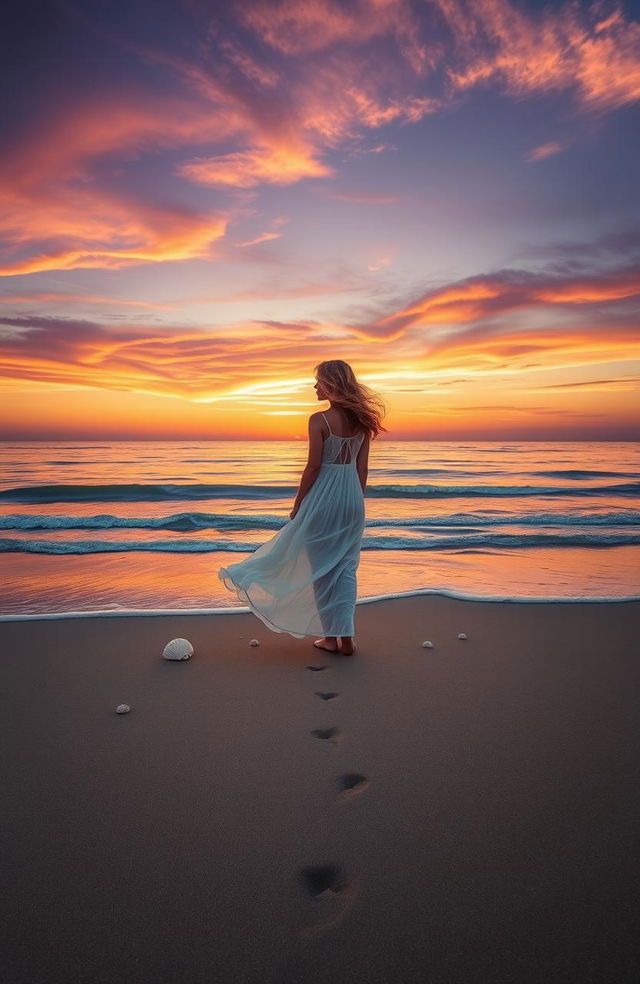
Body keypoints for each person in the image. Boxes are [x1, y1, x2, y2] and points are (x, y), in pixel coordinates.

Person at [219, 360, 386, 655]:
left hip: (323, 499)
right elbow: (363, 469)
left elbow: (312, 468)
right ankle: (345, 639)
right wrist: (355, 504)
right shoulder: (362, 422)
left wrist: (299, 505)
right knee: (346, 568)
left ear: (332, 384)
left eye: (319, 381)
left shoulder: (319, 421)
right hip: (352, 501)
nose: (315, 387)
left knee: (322, 570)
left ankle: (331, 639)